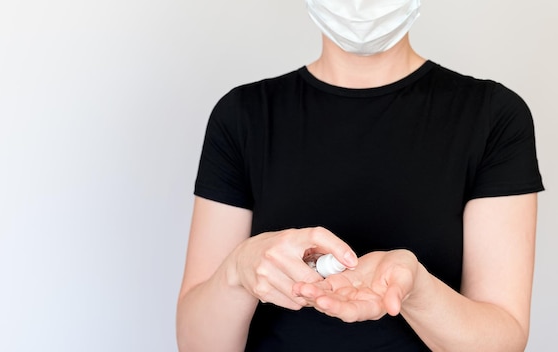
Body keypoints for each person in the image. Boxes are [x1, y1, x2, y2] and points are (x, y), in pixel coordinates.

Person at [176, 0, 544, 350]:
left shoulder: (493, 116)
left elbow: (502, 339)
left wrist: (416, 289)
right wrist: (238, 270)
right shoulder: (243, 116)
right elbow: (196, 344)